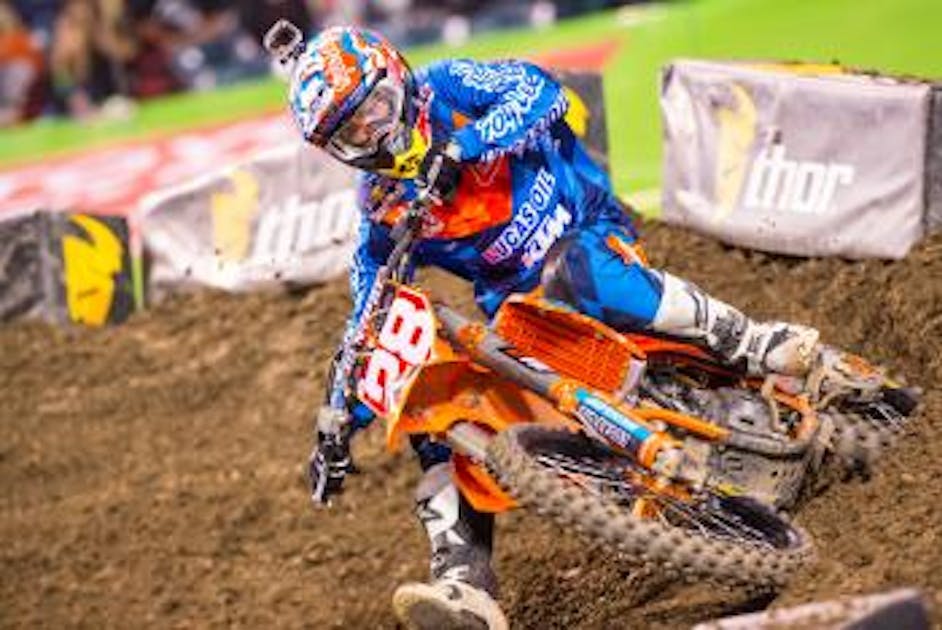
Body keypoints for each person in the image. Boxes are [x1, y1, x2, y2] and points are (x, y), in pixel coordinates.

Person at [268, 21, 822, 630]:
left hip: (585, 226)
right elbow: (370, 315)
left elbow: (540, 90)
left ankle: (752, 341)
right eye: (351, 132)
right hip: (522, 310)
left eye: (374, 107)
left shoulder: (447, 86)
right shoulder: (383, 206)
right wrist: (339, 419)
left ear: (396, 77)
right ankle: (463, 583)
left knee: (575, 272)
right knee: (438, 410)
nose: (373, 130)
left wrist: (464, 147)